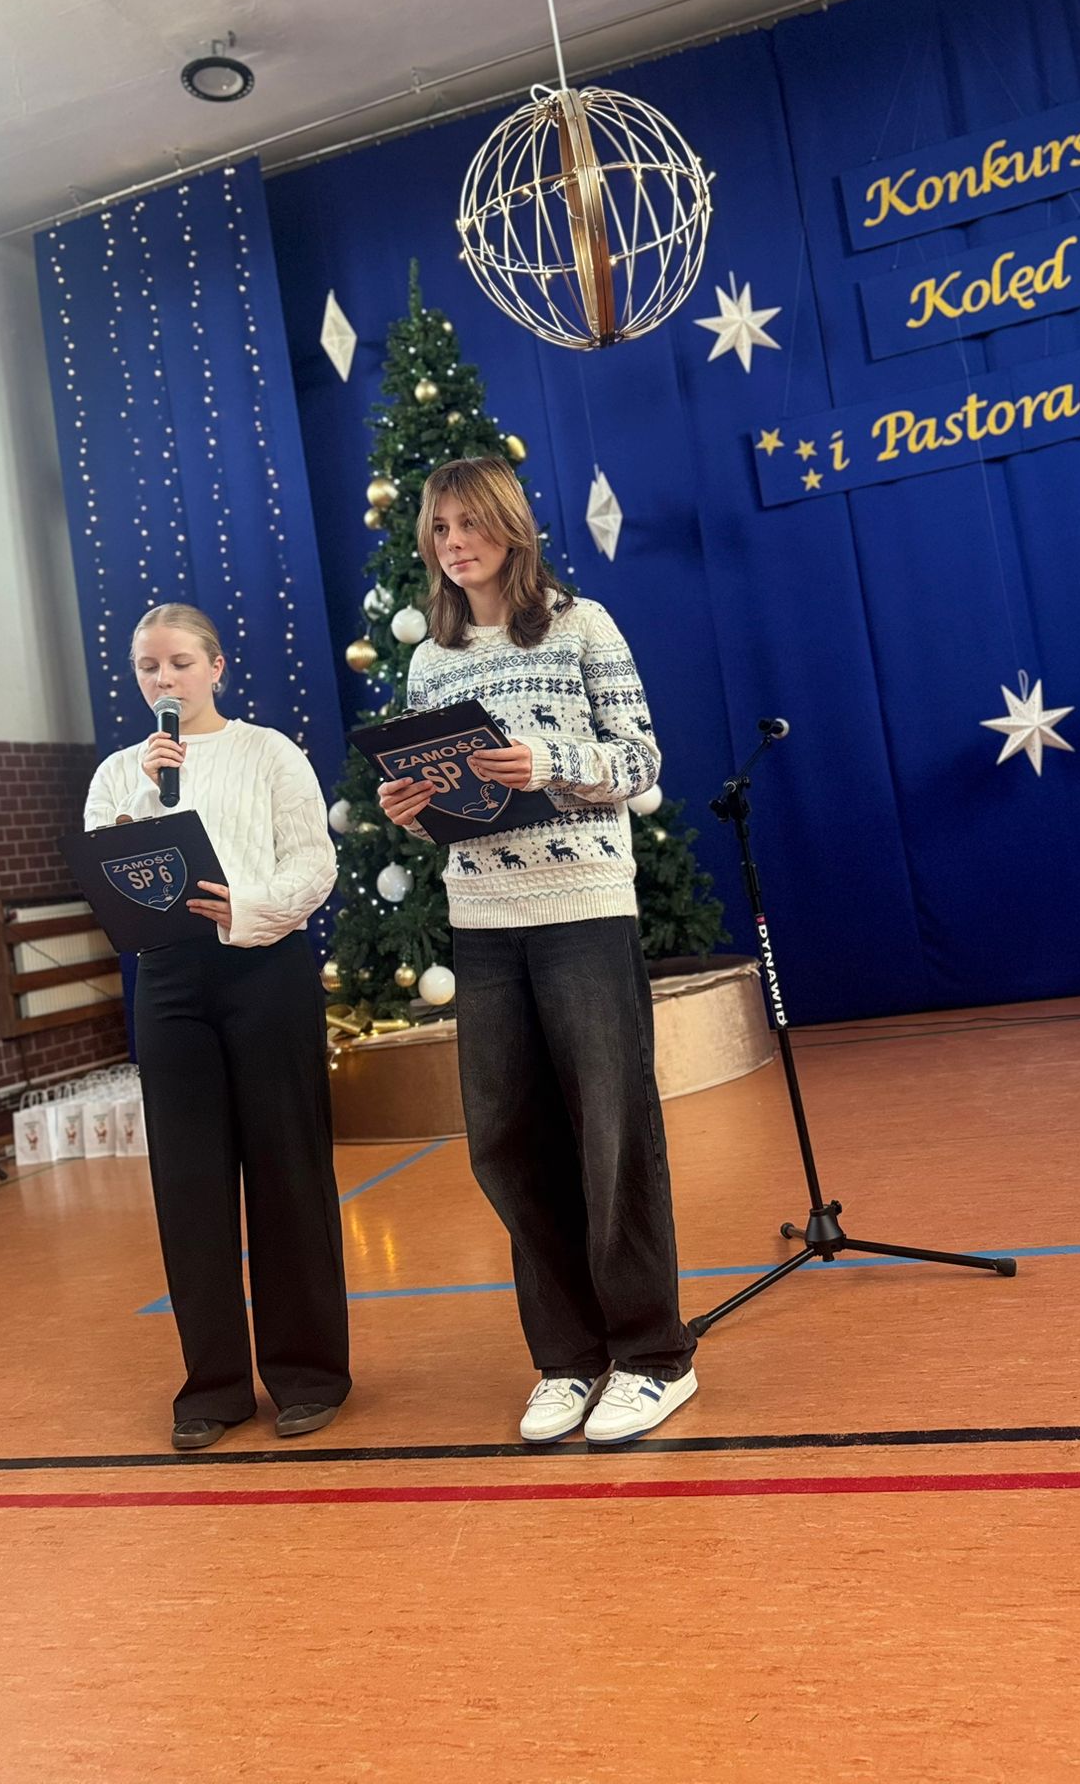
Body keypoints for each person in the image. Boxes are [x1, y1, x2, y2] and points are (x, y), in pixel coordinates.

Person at [378, 458, 699, 1446]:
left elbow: (642, 758)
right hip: (481, 920)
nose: (454, 543)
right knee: (507, 1142)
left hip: (584, 908)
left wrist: (548, 762)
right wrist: (411, 811)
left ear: (510, 527)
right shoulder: (430, 662)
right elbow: (448, 809)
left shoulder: (582, 625)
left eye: (470, 523)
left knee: (610, 1132)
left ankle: (654, 1356)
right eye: (440, 529)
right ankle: (569, 1357)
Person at [84, 602, 350, 1452]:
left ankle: (309, 1375)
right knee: (189, 1182)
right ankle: (214, 1386)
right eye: (148, 667)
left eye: (179, 663)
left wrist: (250, 908)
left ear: (216, 667)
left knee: (286, 1170)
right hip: (169, 980)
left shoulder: (269, 752)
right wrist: (145, 790)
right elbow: (110, 870)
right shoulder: (120, 773)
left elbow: (314, 862)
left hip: (264, 966)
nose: (163, 679)